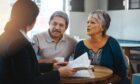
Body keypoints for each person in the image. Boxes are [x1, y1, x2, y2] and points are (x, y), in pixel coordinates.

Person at [0, 0, 76, 84]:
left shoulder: (5, 36)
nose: (57, 27)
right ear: (32, 20)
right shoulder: (20, 44)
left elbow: (25, 68)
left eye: (61, 25)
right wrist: (59, 74)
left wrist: (52, 66)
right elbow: (30, 81)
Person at [73, 10, 129, 84]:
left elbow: (121, 72)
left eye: (92, 22)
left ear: (103, 27)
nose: (88, 25)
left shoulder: (112, 43)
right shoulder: (80, 45)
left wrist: (109, 82)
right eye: (88, 22)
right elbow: (75, 71)